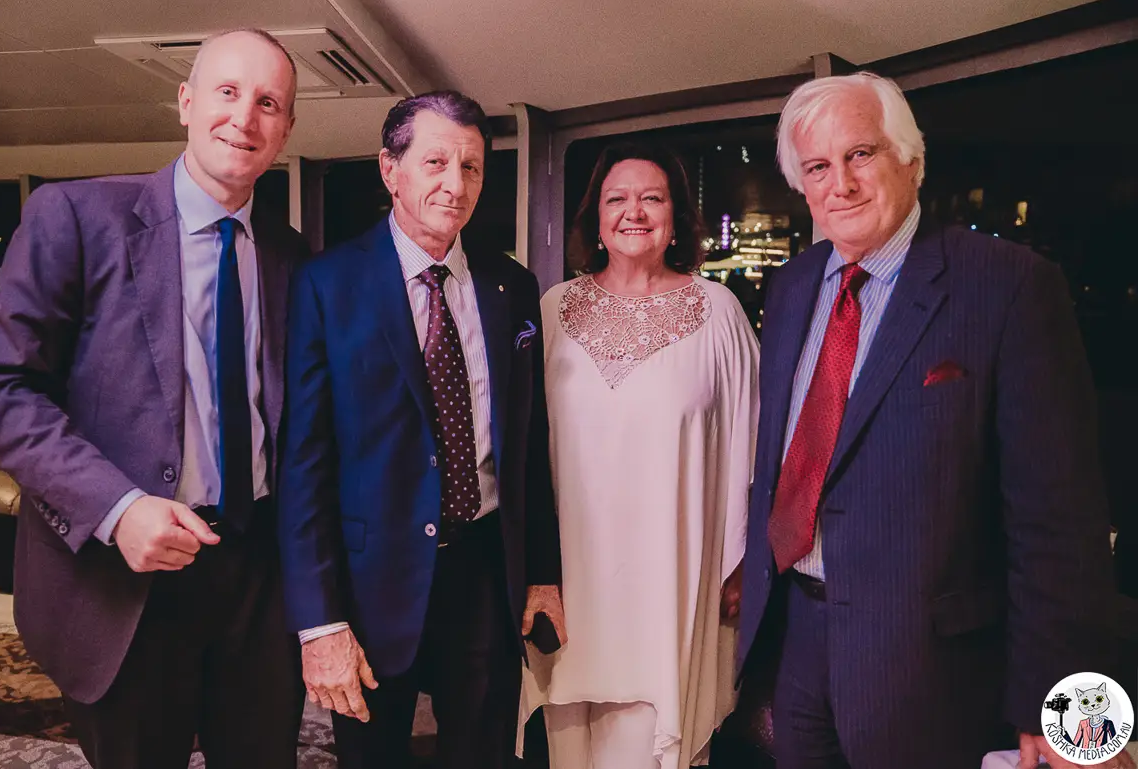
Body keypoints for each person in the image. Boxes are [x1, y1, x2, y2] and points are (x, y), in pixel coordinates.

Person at [736, 71, 1127, 769]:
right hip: (795, 643)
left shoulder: (1009, 284)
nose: (840, 184)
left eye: (860, 154)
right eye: (817, 167)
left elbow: (1059, 519)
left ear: (911, 160)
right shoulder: (792, 286)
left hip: (933, 672)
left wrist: (1072, 710)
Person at [0, 29, 307, 769]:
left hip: (256, 581)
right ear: (185, 102)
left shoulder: (291, 256)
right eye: (227, 92)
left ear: (285, 129)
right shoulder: (76, 217)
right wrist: (117, 508)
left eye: (268, 102)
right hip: (122, 580)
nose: (244, 117)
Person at [278, 90, 565, 769]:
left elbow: (529, 446)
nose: (454, 184)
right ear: (391, 170)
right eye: (435, 162)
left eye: (471, 166)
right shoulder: (328, 283)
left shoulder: (511, 286)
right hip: (371, 581)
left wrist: (542, 573)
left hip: (484, 574)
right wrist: (320, 621)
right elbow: (304, 464)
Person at [518, 142, 759, 769]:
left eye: (652, 198)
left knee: (650, 743)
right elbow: (521, 445)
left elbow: (753, 444)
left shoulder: (719, 313)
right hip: (572, 582)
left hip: (669, 578)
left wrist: (742, 561)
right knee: (569, 745)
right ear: (595, 219)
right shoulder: (552, 310)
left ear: (676, 219)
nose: (635, 211)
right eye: (617, 199)